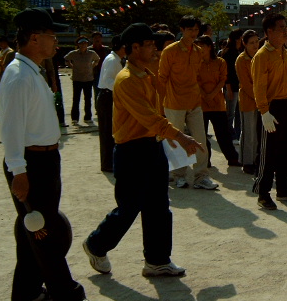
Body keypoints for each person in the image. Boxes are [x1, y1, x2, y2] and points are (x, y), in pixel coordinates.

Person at [83, 23, 204, 278]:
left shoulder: (147, 75)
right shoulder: (126, 80)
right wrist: (179, 135)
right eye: (149, 45)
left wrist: (165, 135)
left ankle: (157, 260)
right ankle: (96, 244)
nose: (154, 50)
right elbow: (149, 117)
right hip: (131, 151)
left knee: (159, 206)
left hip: (151, 146)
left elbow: (156, 116)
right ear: (134, 48)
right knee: (129, 207)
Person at [0, 7, 86, 300]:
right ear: (34, 38)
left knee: (32, 231)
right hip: (30, 163)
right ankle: (66, 292)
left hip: (45, 160)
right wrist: (18, 172)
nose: (56, 42)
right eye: (52, 36)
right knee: (44, 231)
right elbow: (10, 129)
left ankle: (26, 292)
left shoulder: (30, 70)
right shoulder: (18, 76)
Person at [157, 15, 218, 190]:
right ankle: (179, 176)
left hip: (194, 103)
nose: (193, 33)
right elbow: (162, 79)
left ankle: (201, 176)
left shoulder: (198, 51)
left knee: (200, 139)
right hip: (174, 103)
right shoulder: (170, 51)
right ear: (182, 30)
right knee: (176, 141)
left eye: (196, 30)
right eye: (190, 29)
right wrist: (161, 105)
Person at [251, 13, 287, 210]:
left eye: (285, 26)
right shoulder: (262, 56)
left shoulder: (285, 53)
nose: (285, 31)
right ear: (268, 32)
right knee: (268, 153)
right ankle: (263, 193)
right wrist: (264, 112)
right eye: (281, 27)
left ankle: (284, 189)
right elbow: (259, 87)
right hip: (270, 108)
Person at [194, 35, 241, 167]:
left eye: (202, 46)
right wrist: (205, 96)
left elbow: (222, 79)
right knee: (202, 135)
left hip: (218, 103)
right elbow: (195, 81)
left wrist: (212, 94)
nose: (199, 49)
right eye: (197, 46)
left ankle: (232, 158)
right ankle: (205, 160)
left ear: (209, 47)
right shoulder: (195, 62)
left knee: (223, 134)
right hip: (200, 103)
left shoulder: (220, 62)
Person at [96, 35, 126, 173]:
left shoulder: (117, 60)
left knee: (112, 131)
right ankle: (107, 163)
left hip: (111, 96)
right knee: (107, 132)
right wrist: (122, 88)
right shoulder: (112, 60)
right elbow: (107, 80)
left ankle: (110, 162)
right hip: (106, 97)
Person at [236, 30, 261, 175]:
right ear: (244, 44)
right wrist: (258, 97)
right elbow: (245, 84)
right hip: (248, 100)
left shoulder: (260, 57)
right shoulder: (241, 60)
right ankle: (247, 162)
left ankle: (256, 159)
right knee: (248, 133)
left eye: (257, 41)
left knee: (257, 134)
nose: (255, 45)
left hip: (261, 101)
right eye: (251, 43)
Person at [64, 36, 100, 125]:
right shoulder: (73, 53)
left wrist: (93, 65)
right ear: (78, 45)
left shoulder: (91, 53)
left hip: (88, 79)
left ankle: (88, 117)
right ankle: (75, 118)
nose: (83, 45)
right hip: (77, 79)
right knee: (76, 99)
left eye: (85, 43)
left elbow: (97, 59)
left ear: (87, 44)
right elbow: (66, 59)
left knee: (88, 99)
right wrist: (71, 66)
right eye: (81, 43)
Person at [222, 29, 243, 143]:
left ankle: (236, 135)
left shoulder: (239, 51)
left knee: (239, 113)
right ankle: (229, 134)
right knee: (230, 113)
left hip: (239, 87)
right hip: (231, 87)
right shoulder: (229, 52)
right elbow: (227, 73)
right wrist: (228, 88)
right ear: (238, 39)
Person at [90, 31, 111, 102]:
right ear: (92, 39)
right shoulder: (89, 50)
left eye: (99, 37)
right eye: (95, 38)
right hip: (94, 73)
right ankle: (98, 108)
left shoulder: (106, 49)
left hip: (105, 72)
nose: (97, 39)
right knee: (97, 90)